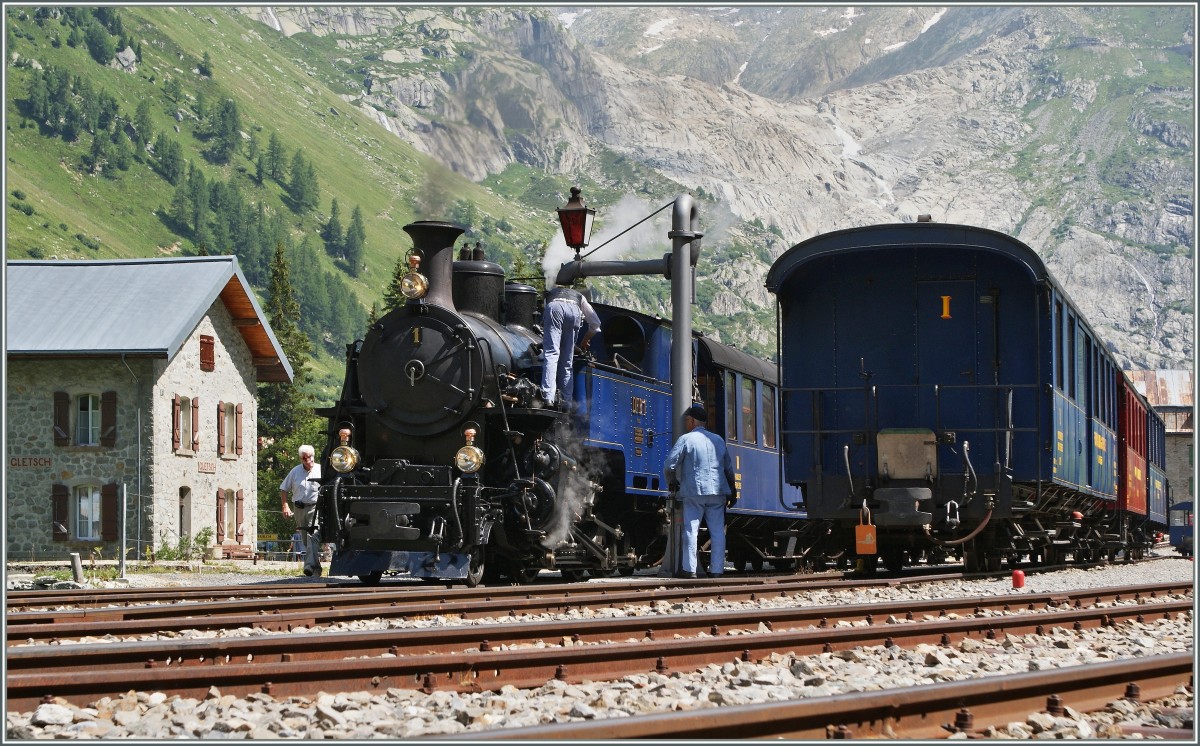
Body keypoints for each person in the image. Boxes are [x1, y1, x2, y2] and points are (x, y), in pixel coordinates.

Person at [663, 403, 737, 579]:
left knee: (691, 530)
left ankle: (690, 569)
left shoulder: (686, 439)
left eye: (687, 420)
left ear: (692, 421)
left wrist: (672, 482)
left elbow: (669, 465)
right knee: (717, 532)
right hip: (718, 492)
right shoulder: (718, 440)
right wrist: (732, 491)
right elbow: (728, 469)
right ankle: (717, 570)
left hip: (694, 492)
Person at [539, 282, 601, 407]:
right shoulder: (580, 297)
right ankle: (566, 402)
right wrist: (585, 341)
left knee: (551, 353)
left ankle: (548, 396)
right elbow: (596, 323)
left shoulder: (550, 296)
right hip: (574, 311)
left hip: (554, 307)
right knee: (567, 361)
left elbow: (545, 322)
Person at [280, 444, 323, 577]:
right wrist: (285, 506)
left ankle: (308, 565)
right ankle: (316, 569)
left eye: (310, 457)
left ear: (313, 456)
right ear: (301, 459)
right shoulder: (295, 471)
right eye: (305, 458)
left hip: (315, 507)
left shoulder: (321, 470)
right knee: (305, 540)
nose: (308, 460)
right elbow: (283, 489)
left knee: (313, 536)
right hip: (299, 508)